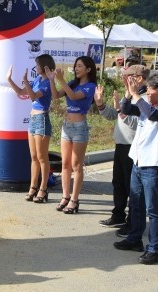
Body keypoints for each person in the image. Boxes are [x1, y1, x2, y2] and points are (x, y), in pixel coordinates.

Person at [113, 73, 158, 265]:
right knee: (135, 203)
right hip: (138, 162)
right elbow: (126, 109)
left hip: (155, 166)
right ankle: (134, 239)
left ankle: (155, 249)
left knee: (153, 209)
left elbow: (152, 115)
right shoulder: (146, 105)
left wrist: (137, 95)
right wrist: (128, 93)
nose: (148, 92)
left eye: (151, 89)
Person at [95, 65, 149, 234]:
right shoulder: (129, 95)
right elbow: (114, 115)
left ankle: (132, 222)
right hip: (121, 145)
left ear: (139, 78)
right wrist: (100, 104)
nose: (123, 79)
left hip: (133, 148)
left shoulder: (145, 98)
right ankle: (118, 214)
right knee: (118, 183)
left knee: (131, 187)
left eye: (128, 76)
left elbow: (136, 122)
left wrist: (121, 109)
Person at [48, 56, 97, 214]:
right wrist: (52, 80)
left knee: (76, 165)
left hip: (79, 128)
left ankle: (74, 200)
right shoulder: (71, 83)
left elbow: (74, 96)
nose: (76, 68)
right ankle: (65, 196)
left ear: (88, 69)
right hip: (66, 127)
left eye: (80, 66)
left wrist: (61, 80)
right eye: (76, 66)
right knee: (65, 164)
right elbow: (56, 95)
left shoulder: (91, 86)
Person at [7, 54, 56, 203]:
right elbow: (21, 92)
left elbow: (34, 96)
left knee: (42, 157)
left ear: (45, 66)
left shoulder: (48, 82)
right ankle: (33, 187)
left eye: (38, 64)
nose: (36, 67)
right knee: (34, 157)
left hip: (42, 119)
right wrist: (9, 80)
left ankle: (43, 188)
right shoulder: (37, 80)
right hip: (33, 119)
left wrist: (26, 81)